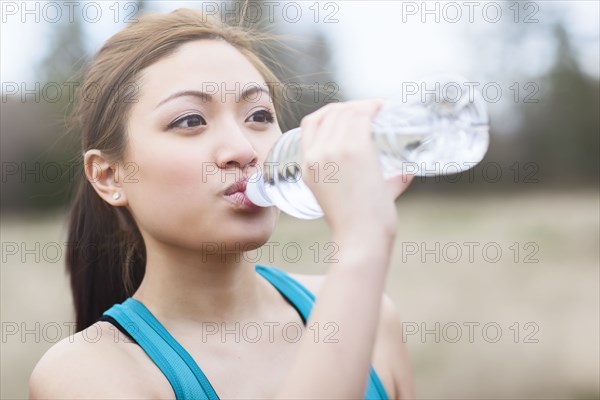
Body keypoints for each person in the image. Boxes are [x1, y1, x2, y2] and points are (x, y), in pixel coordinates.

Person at [29, 8, 414, 399]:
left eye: (259, 115)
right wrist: (360, 244)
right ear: (109, 176)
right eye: (191, 120)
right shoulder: (85, 374)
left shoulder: (374, 319)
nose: (244, 150)